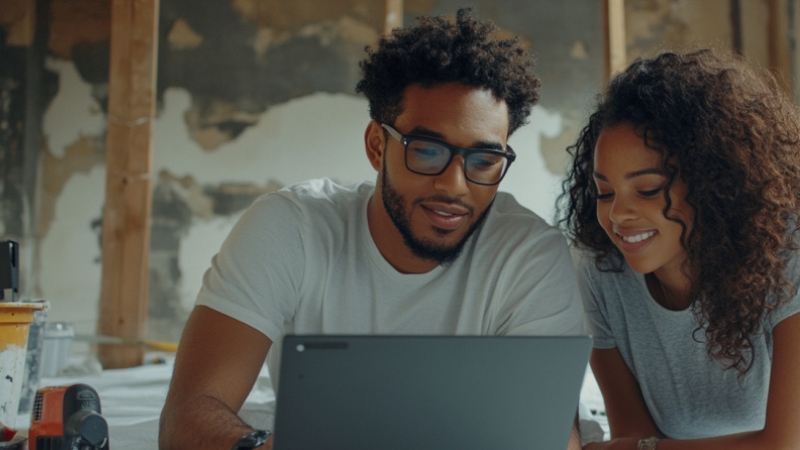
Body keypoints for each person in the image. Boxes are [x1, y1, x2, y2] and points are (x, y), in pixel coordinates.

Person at [159, 8, 585, 450]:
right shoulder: (289, 228)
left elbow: (555, 439)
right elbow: (189, 414)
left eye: (484, 161)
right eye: (427, 151)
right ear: (377, 146)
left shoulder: (529, 254)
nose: (454, 185)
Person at [558, 48, 800, 450]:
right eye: (604, 192)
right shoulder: (600, 275)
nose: (618, 214)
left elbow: (786, 443)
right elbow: (633, 435)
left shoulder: (785, 250)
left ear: (712, 183)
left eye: (648, 190)